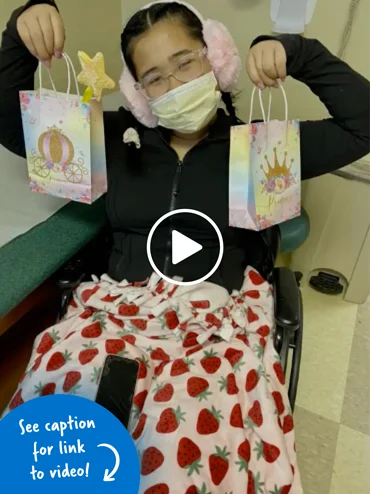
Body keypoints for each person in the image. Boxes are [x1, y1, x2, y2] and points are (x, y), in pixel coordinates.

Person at [0, 1, 369, 493]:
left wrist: (294, 52)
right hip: (114, 311)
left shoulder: (255, 147)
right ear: (136, 91)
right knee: (55, 426)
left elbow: (362, 124)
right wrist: (22, 28)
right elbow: (11, 126)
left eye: (185, 63)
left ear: (214, 58)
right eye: (153, 77)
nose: (172, 84)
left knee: (182, 448)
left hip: (217, 317)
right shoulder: (112, 138)